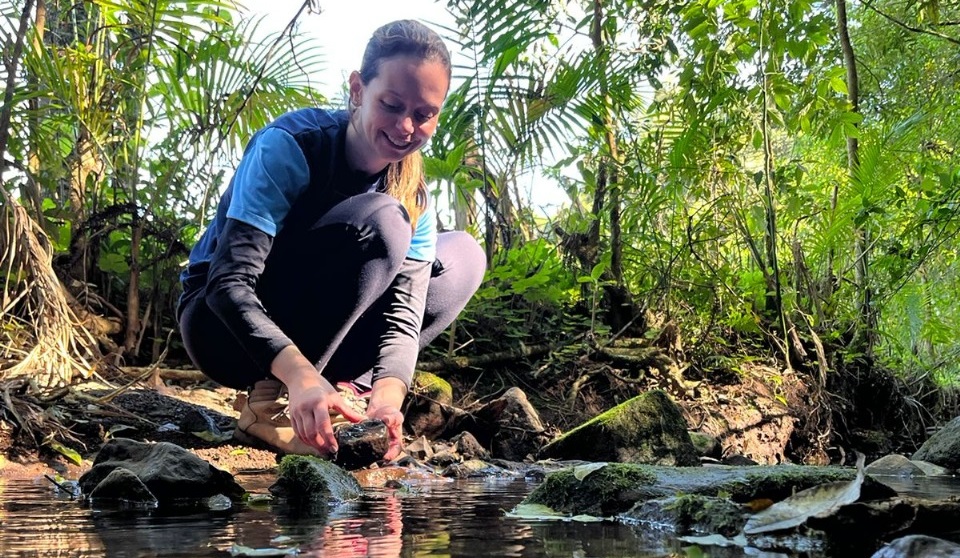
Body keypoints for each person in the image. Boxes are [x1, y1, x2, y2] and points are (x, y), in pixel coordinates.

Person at [177, 19, 486, 461]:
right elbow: (228, 286)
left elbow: (404, 314)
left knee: (464, 256)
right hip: (225, 333)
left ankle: (344, 394)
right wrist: (299, 377)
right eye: (392, 105)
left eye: (423, 115)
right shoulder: (291, 147)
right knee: (385, 222)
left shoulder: (414, 190)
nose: (405, 127)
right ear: (358, 89)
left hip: (328, 346)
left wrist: (386, 401)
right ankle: (272, 399)